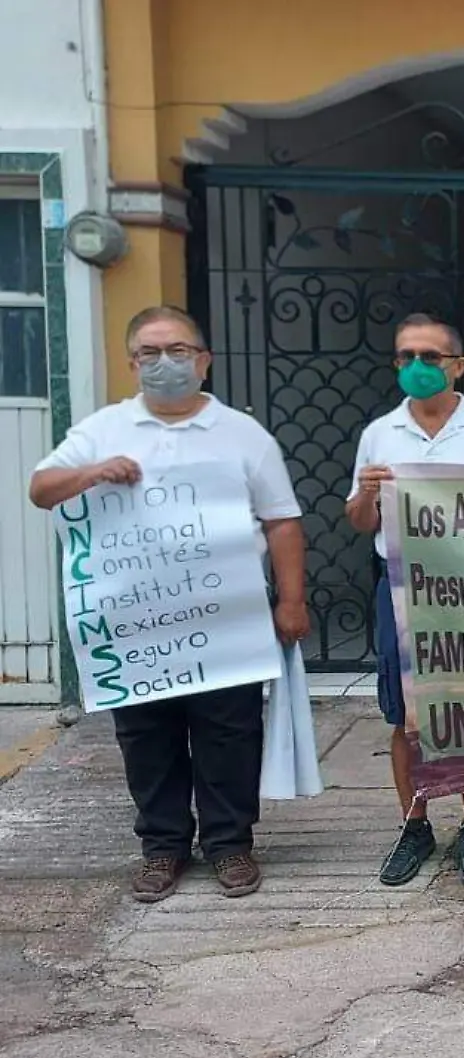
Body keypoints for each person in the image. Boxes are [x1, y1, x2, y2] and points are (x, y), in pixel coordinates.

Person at [29, 305, 309, 903]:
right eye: (150, 354)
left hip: (225, 620)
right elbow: (40, 489)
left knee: (230, 733)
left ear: (204, 360)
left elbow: (283, 521)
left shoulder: (242, 434)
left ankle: (231, 845)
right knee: (146, 736)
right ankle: (163, 848)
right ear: (133, 363)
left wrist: (292, 601)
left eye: (178, 351)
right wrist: (91, 472)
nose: (165, 364)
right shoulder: (102, 430)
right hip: (135, 628)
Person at [347, 313, 464, 890]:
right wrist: (369, 494)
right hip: (401, 587)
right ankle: (414, 821)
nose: (417, 368)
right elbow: (357, 520)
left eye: (430, 357)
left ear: (458, 366)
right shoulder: (380, 433)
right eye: (405, 357)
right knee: (406, 715)